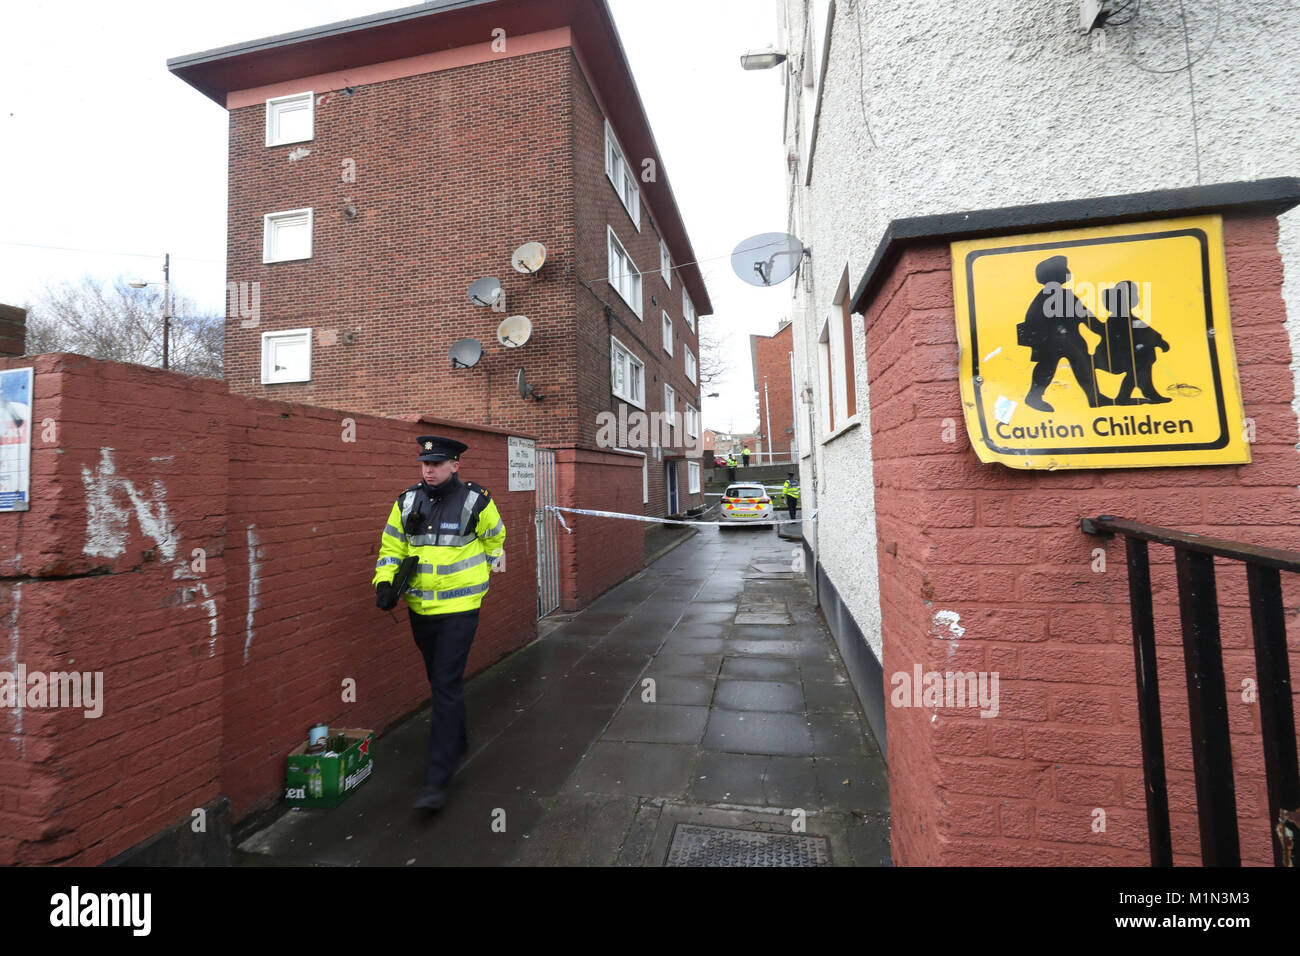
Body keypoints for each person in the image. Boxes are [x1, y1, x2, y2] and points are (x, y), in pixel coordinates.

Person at [372, 435, 506, 810]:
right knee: (440, 680)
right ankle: (458, 737)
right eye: (424, 464)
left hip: (461, 610)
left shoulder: (477, 501)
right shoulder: (406, 501)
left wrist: (490, 562)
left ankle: (437, 778)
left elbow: (497, 538)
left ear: (455, 465)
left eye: (436, 464)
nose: (428, 470)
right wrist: (384, 582)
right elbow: (391, 548)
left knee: (444, 683)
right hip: (420, 609)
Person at [1017, 255, 1113, 412]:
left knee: (1083, 366)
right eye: (1063, 271)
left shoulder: (1060, 294)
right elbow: (1085, 315)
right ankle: (1034, 396)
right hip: (1053, 341)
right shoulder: (1053, 295)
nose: (1066, 273)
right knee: (1047, 367)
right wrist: (1101, 329)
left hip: (1069, 339)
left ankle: (1095, 397)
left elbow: (1084, 314)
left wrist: (1101, 329)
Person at [1096, 281, 1171, 405]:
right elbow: (1118, 341)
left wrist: (1159, 341)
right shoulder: (1115, 319)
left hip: (1126, 356)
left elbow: (1146, 331)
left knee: (1144, 357)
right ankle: (1131, 394)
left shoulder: (1130, 317)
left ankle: (1146, 389)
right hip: (1111, 358)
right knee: (1140, 362)